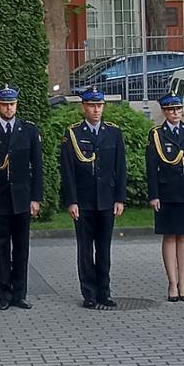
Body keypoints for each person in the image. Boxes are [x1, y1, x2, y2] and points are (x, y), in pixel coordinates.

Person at [0, 84, 43, 310]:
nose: (9, 108)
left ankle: (20, 294)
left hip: (22, 199)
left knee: (21, 249)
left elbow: (37, 167)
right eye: (4, 105)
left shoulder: (29, 130)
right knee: (1, 249)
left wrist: (36, 198)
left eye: (12, 104)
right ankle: (4, 295)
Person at [59, 88, 126, 309]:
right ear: (84, 107)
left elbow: (120, 168)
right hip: (84, 200)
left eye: (99, 105)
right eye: (92, 106)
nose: (96, 110)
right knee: (85, 248)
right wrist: (72, 201)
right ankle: (89, 292)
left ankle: (104, 292)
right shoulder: (73, 133)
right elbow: (68, 170)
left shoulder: (113, 132)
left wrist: (119, 198)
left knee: (104, 248)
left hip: (106, 199)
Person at [146, 95, 184, 302]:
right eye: (171, 110)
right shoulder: (157, 134)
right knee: (170, 236)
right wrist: (154, 195)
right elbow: (151, 168)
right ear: (164, 111)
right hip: (166, 192)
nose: (175, 113)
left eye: (178, 109)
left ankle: (183, 283)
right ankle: (172, 283)